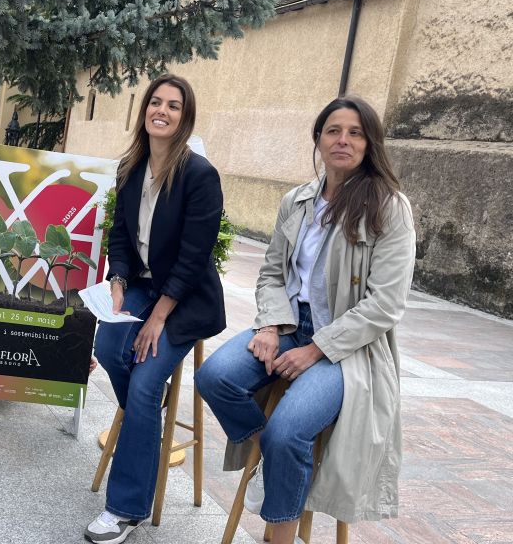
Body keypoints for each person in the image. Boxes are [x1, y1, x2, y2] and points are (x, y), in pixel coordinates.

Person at [195, 96, 416, 543]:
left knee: (287, 432)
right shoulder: (297, 201)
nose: (343, 140)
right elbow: (272, 273)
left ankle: (278, 531)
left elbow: (385, 304)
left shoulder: (390, 208)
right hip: (290, 324)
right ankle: (271, 460)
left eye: (355, 133)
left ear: (370, 143)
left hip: (346, 349)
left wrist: (316, 350)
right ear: (318, 138)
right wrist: (269, 326)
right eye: (333, 130)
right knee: (214, 377)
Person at [85, 74, 226, 544]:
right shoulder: (131, 167)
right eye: (156, 102)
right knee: (109, 347)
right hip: (142, 286)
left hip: (184, 299)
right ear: (144, 109)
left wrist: (158, 318)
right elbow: (121, 236)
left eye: (174, 106)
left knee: (144, 383)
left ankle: (124, 509)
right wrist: (118, 282)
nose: (161, 111)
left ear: (185, 119)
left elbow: (193, 257)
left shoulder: (199, 176)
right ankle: (146, 417)